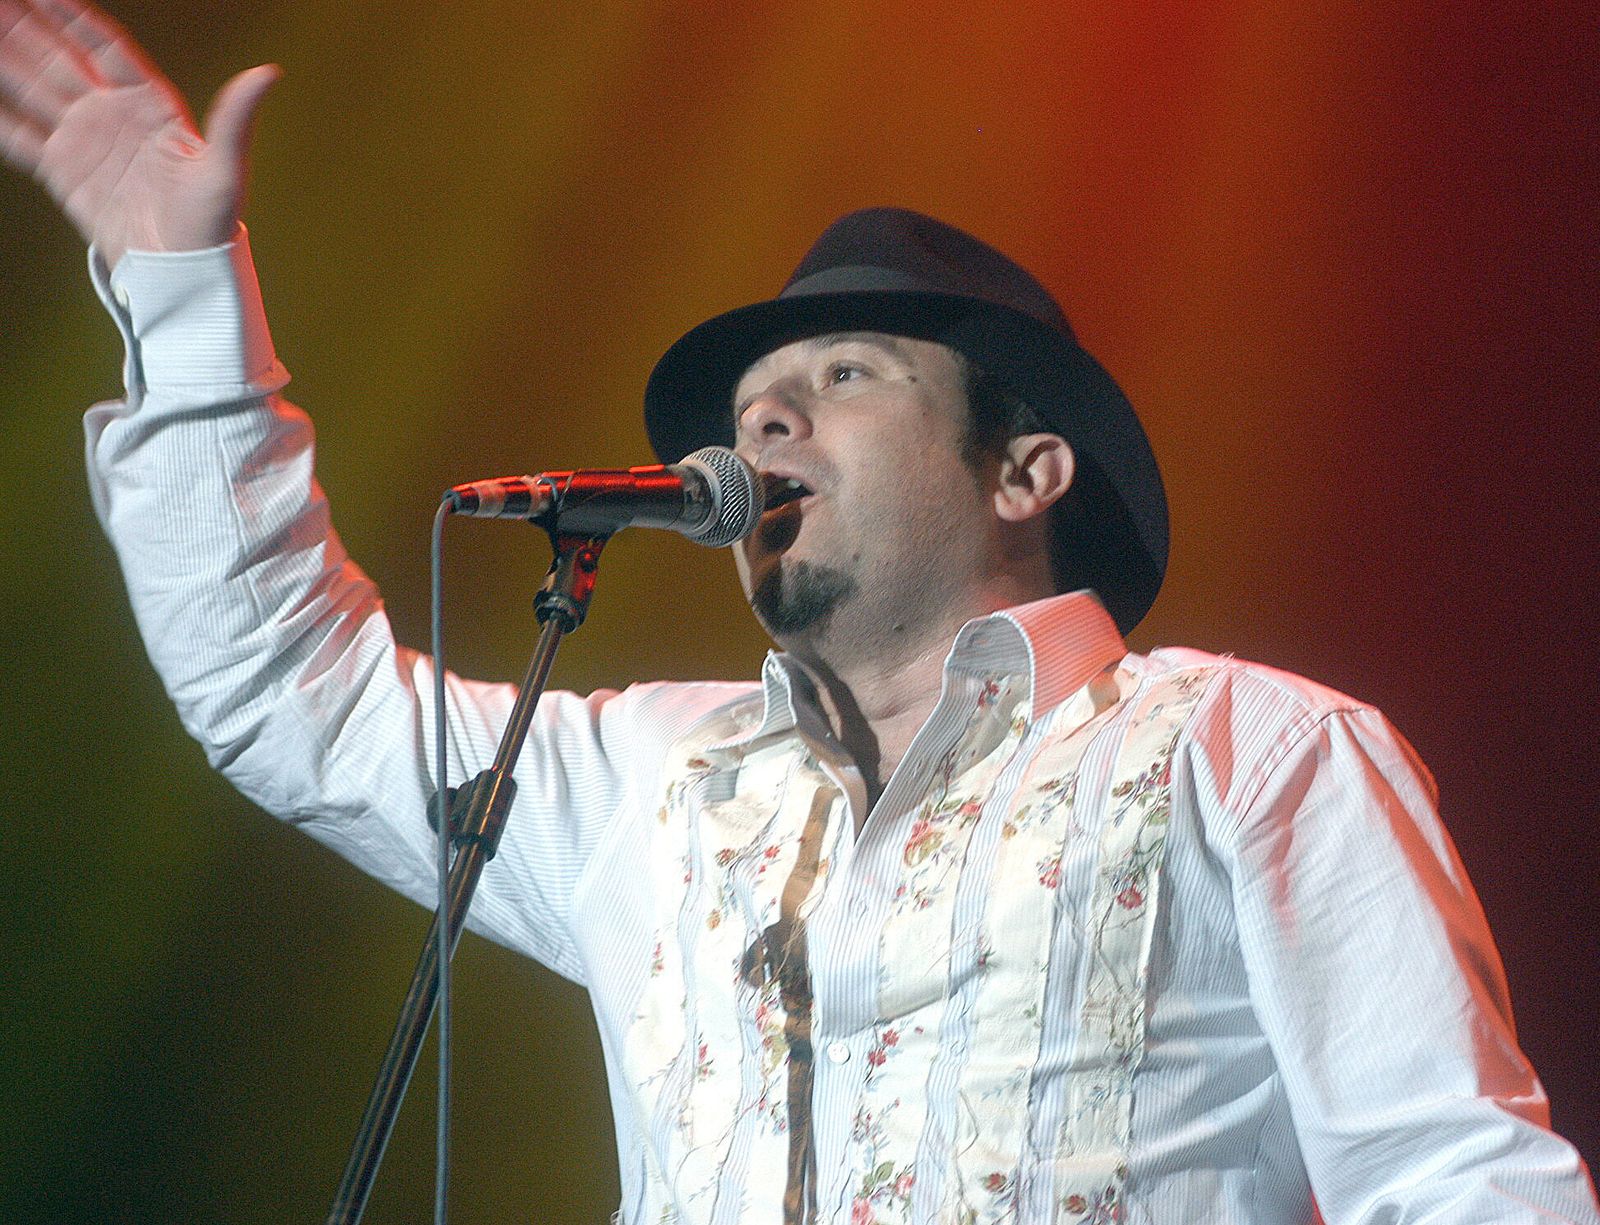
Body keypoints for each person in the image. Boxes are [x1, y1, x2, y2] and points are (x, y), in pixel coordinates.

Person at [3, 2, 1596, 1223]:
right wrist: (179, 291)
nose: (763, 426)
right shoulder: (655, 781)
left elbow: (1454, 1181)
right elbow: (292, 693)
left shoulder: (1253, 749)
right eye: (754, 403)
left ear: (1027, 467)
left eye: (842, 378)